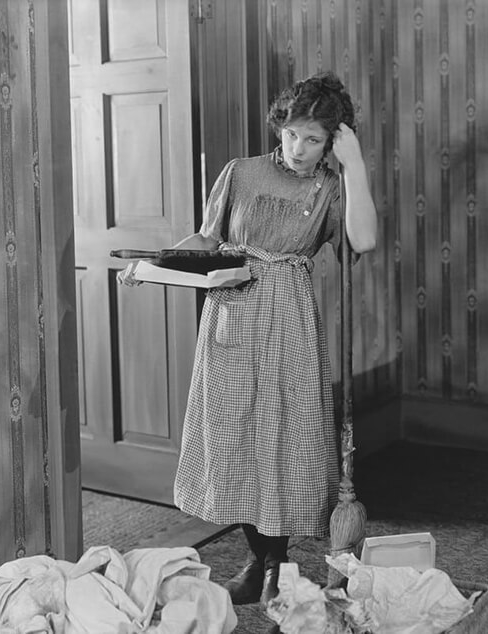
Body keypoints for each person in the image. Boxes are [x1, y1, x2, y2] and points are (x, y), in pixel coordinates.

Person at [119, 71, 377, 608]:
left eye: (314, 139)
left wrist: (354, 167)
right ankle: (259, 561)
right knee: (233, 438)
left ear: (332, 140)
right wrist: (153, 265)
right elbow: (206, 239)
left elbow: (365, 240)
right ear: (279, 126)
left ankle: (276, 565)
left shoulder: (332, 187)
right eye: (291, 134)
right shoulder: (241, 172)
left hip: (288, 318)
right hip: (232, 313)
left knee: (280, 441)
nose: (298, 148)